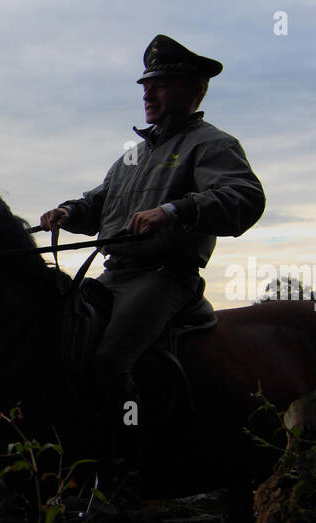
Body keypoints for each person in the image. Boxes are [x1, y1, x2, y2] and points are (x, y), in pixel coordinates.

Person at [40, 34, 265, 499]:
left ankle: (122, 483)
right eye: (146, 84)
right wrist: (67, 212)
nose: (147, 93)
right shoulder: (133, 154)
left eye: (160, 84)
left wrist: (175, 211)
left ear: (194, 89)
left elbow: (245, 198)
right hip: (114, 273)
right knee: (60, 341)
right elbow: (97, 203)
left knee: (109, 360)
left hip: (166, 276)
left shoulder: (212, 144)